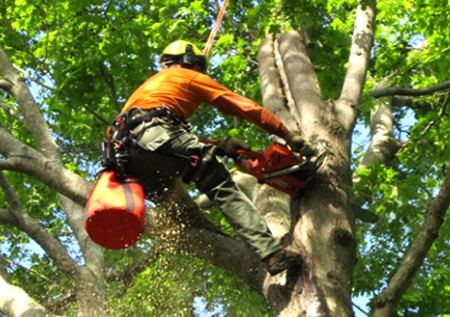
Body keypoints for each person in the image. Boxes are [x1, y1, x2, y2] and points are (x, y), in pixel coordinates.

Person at [109, 40, 316, 275]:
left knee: (186, 211)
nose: (202, 73)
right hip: (155, 136)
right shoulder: (188, 76)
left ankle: (214, 237)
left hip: (129, 162)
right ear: (189, 61)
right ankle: (271, 253)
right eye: (200, 67)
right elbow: (242, 106)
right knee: (218, 181)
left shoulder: (149, 91)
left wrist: (221, 146)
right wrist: (286, 133)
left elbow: (172, 143)